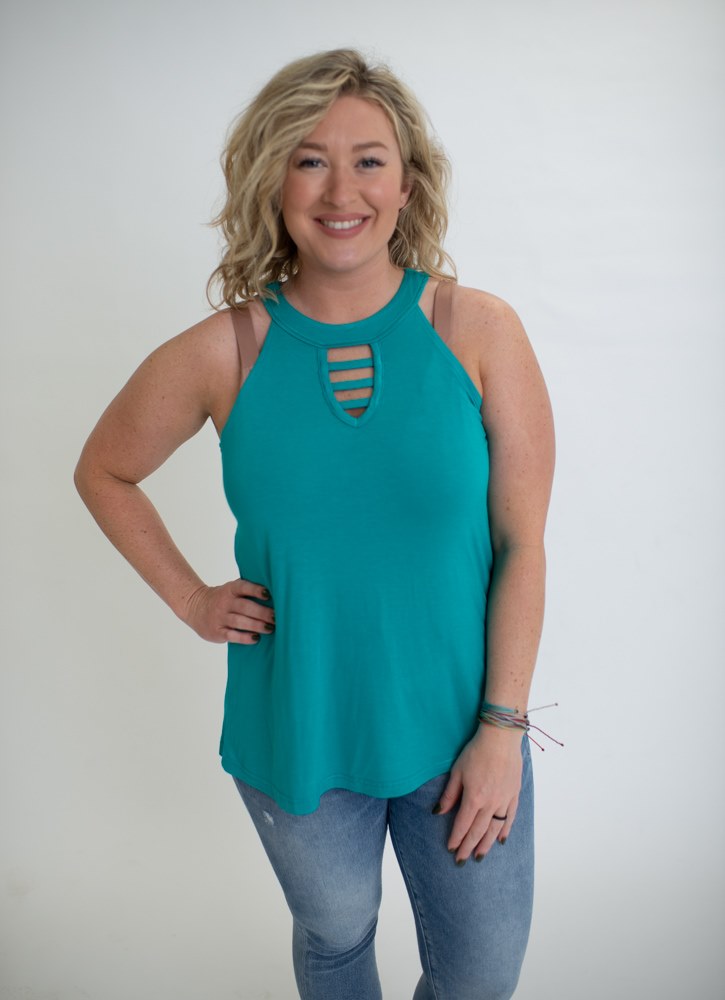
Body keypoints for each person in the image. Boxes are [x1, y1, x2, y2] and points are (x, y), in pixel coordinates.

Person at [75, 48, 555, 1000]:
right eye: (308, 159)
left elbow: (522, 545)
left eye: (368, 160)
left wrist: (502, 729)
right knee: (336, 936)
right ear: (273, 181)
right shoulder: (225, 351)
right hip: (295, 724)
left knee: (478, 979)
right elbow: (105, 470)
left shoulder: (477, 330)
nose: (341, 190)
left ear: (406, 183)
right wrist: (192, 599)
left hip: (463, 725)